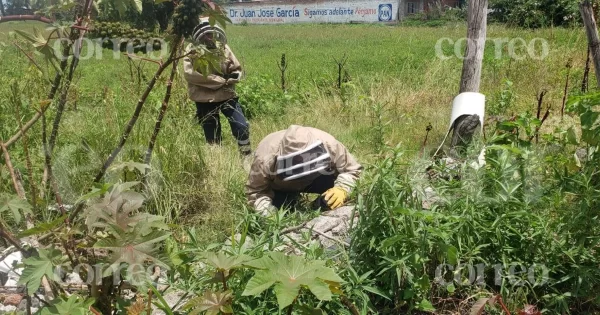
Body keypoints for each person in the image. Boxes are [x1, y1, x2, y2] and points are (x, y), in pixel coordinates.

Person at [246, 125, 363, 216]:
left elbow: (352, 170)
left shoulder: (330, 144)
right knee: (283, 209)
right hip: (282, 186)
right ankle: (289, 200)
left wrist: (342, 188)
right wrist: (268, 214)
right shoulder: (265, 158)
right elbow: (256, 192)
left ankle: (320, 203)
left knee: (344, 197)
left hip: (318, 178)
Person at [183, 19, 251, 156]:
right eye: (205, 35)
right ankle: (218, 164)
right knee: (212, 135)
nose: (208, 37)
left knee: (241, 126)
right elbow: (190, 74)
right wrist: (219, 80)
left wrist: (234, 76)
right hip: (204, 98)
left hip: (226, 94)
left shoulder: (223, 47)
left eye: (210, 34)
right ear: (198, 35)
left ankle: (247, 157)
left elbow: (236, 68)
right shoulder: (191, 51)